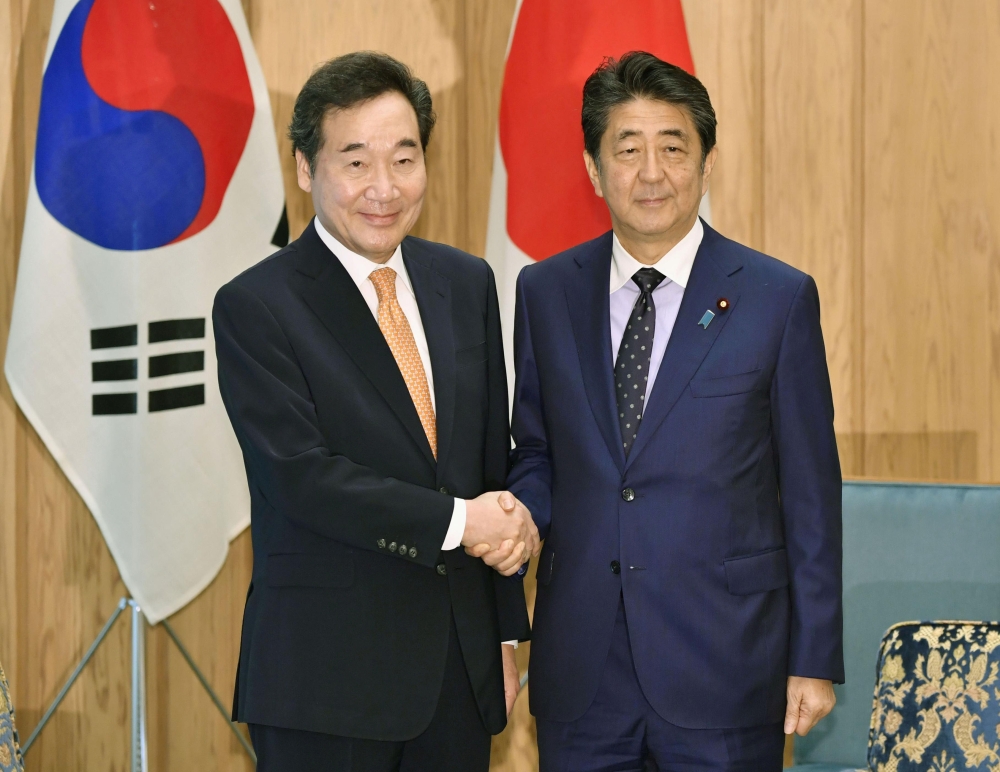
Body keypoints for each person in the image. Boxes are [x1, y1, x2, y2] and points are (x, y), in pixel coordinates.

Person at [502, 51, 844, 770]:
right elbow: (535, 451)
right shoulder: (544, 291)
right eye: (627, 150)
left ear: (706, 161)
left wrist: (813, 657)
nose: (650, 173)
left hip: (726, 665)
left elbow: (811, 493)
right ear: (595, 170)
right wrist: (520, 518)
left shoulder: (777, 300)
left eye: (673, 148)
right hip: (583, 672)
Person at [213, 51, 538, 772]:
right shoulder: (256, 305)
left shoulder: (467, 282)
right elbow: (300, 477)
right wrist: (459, 523)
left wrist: (506, 637)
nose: (384, 188)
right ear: (305, 168)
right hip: (324, 685)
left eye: (404, 158)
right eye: (355, 162)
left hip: (458, 676)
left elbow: (489, 466)